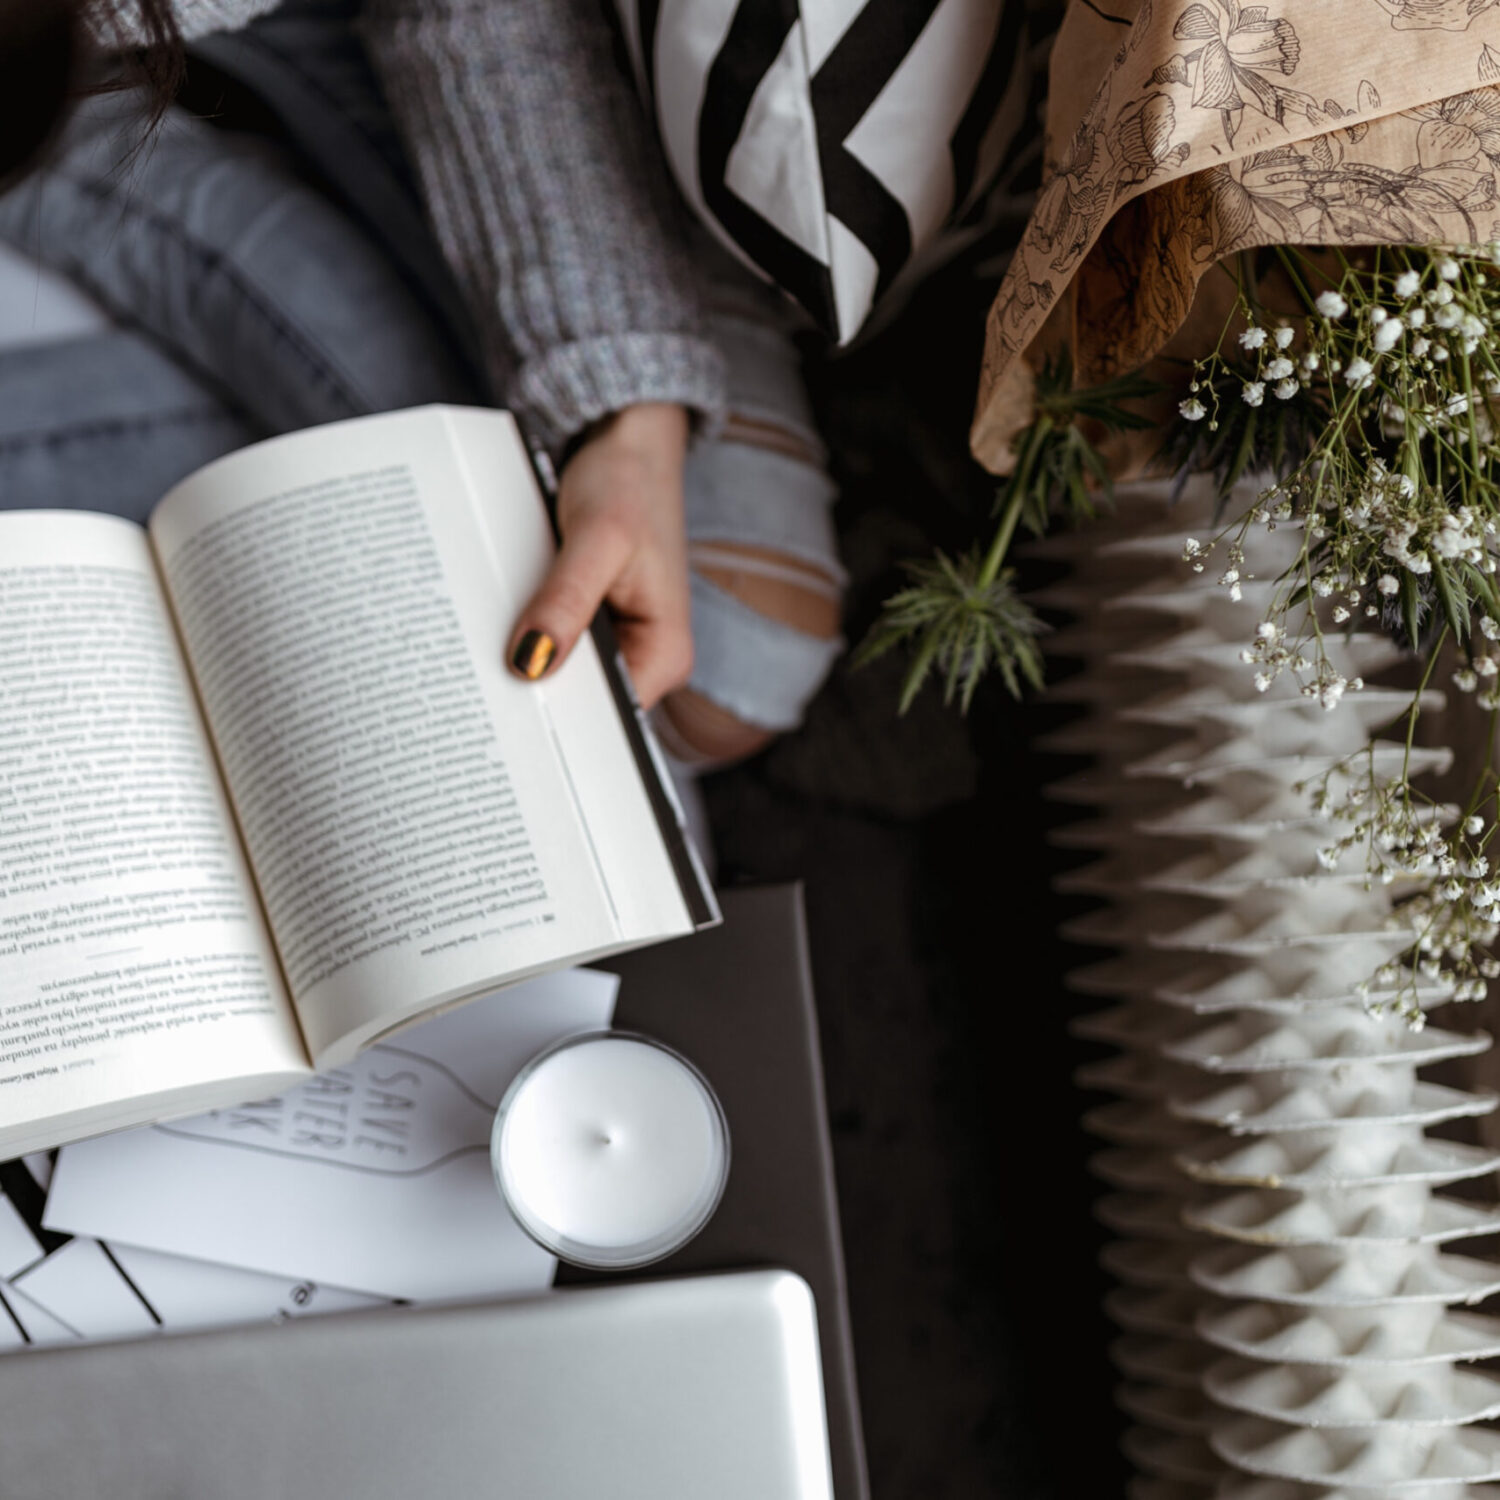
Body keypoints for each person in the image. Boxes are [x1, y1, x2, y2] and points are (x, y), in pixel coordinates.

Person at [0, 0, 845, 771]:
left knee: (727, 655)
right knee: (638, 671)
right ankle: (67, 158)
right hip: (66, 89)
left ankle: (87, 152)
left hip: (337, 36)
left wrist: (622, 402)